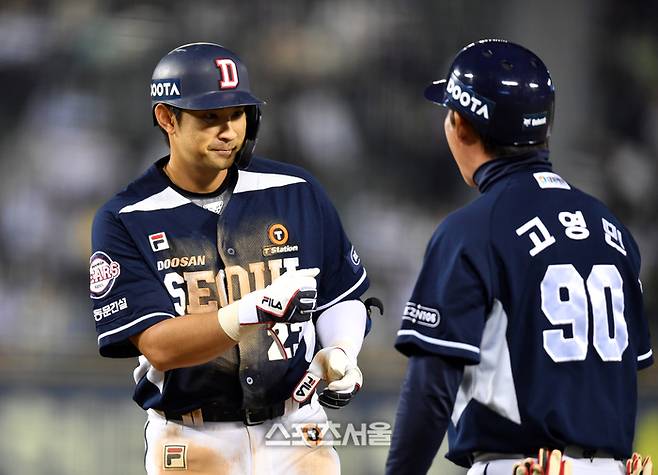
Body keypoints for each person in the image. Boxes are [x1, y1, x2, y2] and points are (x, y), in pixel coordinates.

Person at [90, 42, 370, 475]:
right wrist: (249, 312)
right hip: (192, 436)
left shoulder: (295, 189)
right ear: (167, 118)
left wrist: (342, 351)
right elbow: (158, 346)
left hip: (297, 427)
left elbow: (342, 294)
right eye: (209, 117)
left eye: (236, 114)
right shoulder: (126, 217)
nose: (228, 131)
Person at [385, 39, 654, 475]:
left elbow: (432, 390)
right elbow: (626, 369)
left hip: (520, 465)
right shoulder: (613, 231)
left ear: (461, 125)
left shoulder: (471, 230)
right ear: (545, 127)